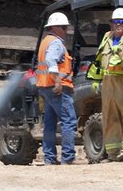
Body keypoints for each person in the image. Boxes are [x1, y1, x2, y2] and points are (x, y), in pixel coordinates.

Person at [94, 8, 123, 162]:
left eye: (122, 22)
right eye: (115, 22)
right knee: (109, 116)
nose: (118, 25)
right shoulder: (107, 37)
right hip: (107, 82)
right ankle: (113, 152)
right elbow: (99, 58)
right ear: (111, 24)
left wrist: (119, 50)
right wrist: (96, 79)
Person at [36, 12, 77, 165]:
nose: (66, 31)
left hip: (45, 87)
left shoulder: (45, 41)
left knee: (50, 122)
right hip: (57, 88)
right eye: (64, 28)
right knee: (69, 121)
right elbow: (50, 59)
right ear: (55, 27)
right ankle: (67, 157)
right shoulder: (55, 43)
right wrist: (58, 81)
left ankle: (49, 158)